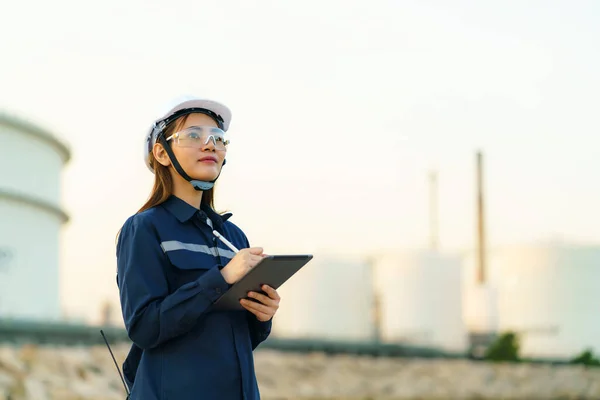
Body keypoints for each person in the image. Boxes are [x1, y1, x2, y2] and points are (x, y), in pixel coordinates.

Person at [115, 96, 280, 400]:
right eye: (193, 135)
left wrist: (263, 317)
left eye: (218, 138)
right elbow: (145, 327)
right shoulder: (145, 228)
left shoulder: (234, 237)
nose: (210, 145)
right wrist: (222, 278)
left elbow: (235, 337)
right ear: (162, 153)